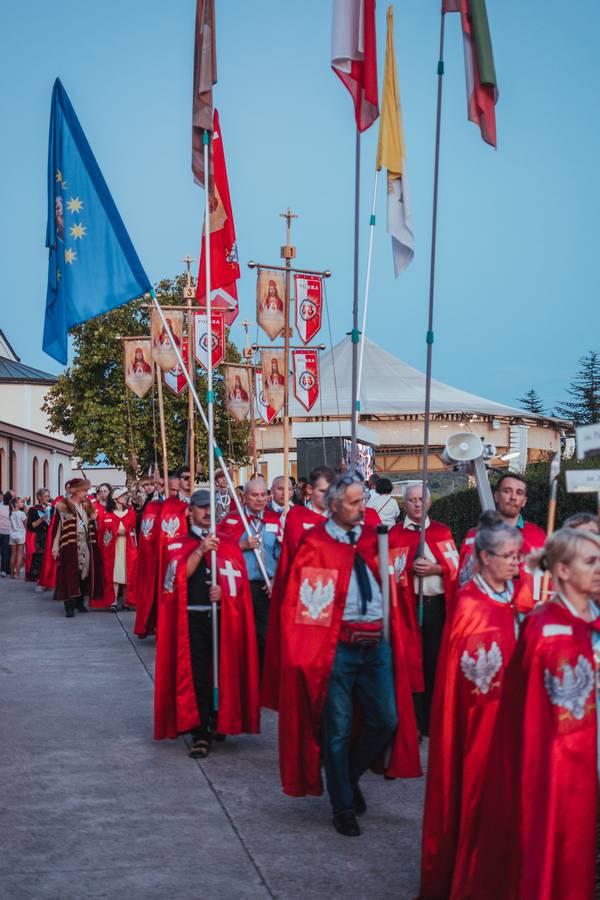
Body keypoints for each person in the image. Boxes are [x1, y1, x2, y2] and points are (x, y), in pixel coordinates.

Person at [278, 473, 421, 837]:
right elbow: (303, 603)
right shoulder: (315, 542)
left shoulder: (375, 538)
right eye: (356, 502)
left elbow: (390, 584)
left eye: (363, 501)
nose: (363, 508)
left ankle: (347, 776)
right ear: (335, 505)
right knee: (337, 729)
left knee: (386, 720)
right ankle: (342, 804)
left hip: (377, 644)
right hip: (335, 648)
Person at [471, 528, 600, 900]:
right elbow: (527, 712)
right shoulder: (543, 628)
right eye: (589, 562)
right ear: (561, 570)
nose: (598, 569)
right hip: (560, 764)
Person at [419, 511, 523, 899]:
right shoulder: (469, 607)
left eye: (518, 555)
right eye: (508, 556)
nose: (516, 562)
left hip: (510, 722)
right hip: (478, 726)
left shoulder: (514, 596)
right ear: (483, 558)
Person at [154, 489, 260, 756]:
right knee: (199, 674)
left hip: (223, 617)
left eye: (210, 507)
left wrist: (225, 592)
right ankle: (200, 732)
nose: (206, 512)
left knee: (224, 672)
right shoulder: (177, 543)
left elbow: (239, 582)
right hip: (192, 617)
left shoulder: (228, 542)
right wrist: (201, 550)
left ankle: (219, 719)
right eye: (201, 507)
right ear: (190, 511)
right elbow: (175, 578)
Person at [262, 465, 335, 710]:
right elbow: (292, 561)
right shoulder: (296, 517)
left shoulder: (340, 519)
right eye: (322, 491)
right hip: (307, 600)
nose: (327, 496)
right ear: (310, 491)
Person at [389, 483, 459, 734]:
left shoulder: (442, 532)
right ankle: (413, 721)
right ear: (404, 504)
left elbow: (456, 569)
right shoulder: (394, 535)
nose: (417, 504)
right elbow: (386, 572)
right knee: (409, 663)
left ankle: (432, 721)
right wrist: (406, 570)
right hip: (406, 610)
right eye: (412, 500)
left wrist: (437, 569)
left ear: (428, 503)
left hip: (435, 608)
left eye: (421, 499)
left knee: (433, 662)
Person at [218, 476, 280, 671]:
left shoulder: (276, 521)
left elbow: (283, 555)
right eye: (254, 495)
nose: (259, 499)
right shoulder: (232, 520)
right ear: (244, 497)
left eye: (263, 495)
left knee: (265, 637)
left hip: (265, 586)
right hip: (240, 587)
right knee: (239, 637)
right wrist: (242, 545)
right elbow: (219, 550)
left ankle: (261, 685)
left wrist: (276, 579)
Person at [457, 473, 545, 609]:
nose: (513, 497)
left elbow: (547, 576)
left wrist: (518, 570)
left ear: (524, 501)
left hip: (526, 615)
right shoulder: (474, 535)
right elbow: (463, 579)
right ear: (496, 496)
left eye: (519, 492)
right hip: (484, 614)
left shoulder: (537, 536)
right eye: (507, 491)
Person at [51, 478, 103, 617]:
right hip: (69, 544)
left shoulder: (87, 505)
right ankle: (69, 606)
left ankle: (80, 602)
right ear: (75, 491)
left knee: (84, 573)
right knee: (70, 574)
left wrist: (93, 514)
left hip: (85, 542)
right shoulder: (63, 505)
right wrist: (55, 547)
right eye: (84, 491)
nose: (86, 493)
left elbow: (93, 520)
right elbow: (57, 528)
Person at [97, 487, 138, 611]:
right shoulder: (108, 514)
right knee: (114, 573)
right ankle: (113, 600)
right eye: (122, 496)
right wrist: (116, 532)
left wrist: (126, 532)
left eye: (125, 495)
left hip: (128, 547)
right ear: (115, 499)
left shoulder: (131, 512)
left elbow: (134, 529)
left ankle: (127, 600)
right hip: (113, 548)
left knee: (127, 573)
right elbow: (104, 531)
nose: (125, 497)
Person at [25, 488, 52, 587]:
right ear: (39, 497)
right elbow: (31, 526)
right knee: (39, 559)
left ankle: (47, 580)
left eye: (48, 496)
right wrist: (41, 519)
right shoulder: (33, 510)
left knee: (48, 559)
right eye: (45, 496)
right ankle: (39, 582)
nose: (47, 498)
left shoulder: (51, 508)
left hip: (49, 536)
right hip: (39, 537)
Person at [9, 497, 27, 578]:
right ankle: (17, 573)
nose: (22, 503)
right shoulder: (22, 514)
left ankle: (12, 573)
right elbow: (25, 525)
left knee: (13, 554)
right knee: (20, 554)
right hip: (20, 534)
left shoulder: (11, 513)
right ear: (16, 504)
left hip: (12, 534)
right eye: (21, 502)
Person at [0, 491, 13, 577]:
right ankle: (4, 571)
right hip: (7, 533)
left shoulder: (0, 508)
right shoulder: (11, 509)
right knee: (5, 552)